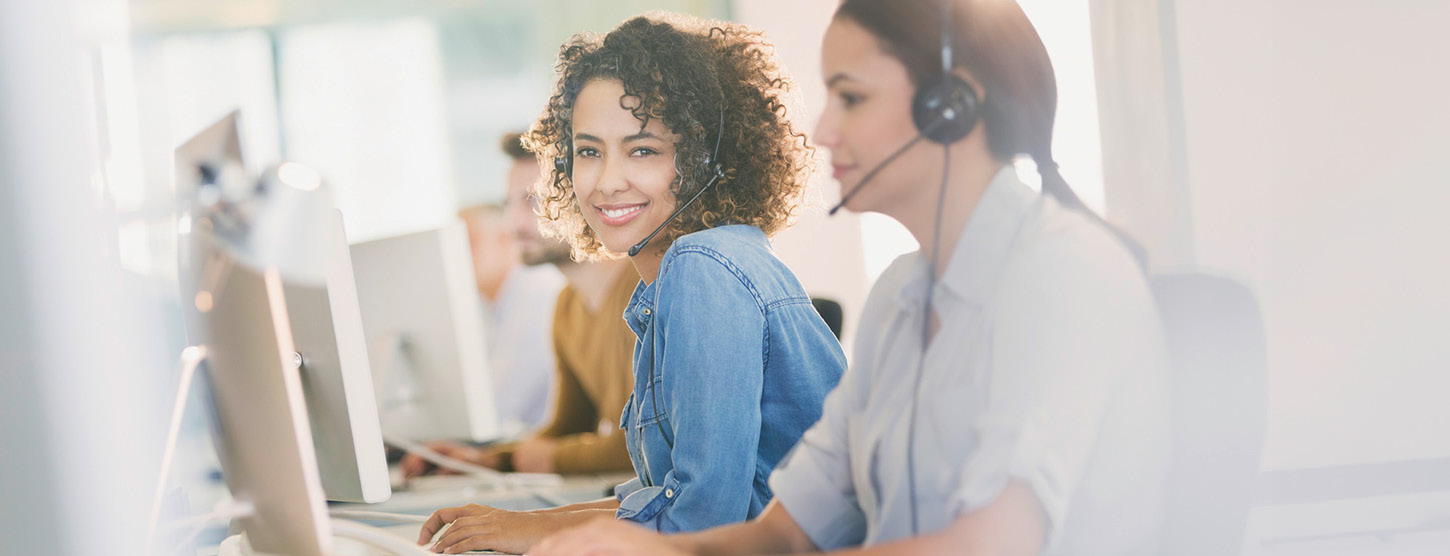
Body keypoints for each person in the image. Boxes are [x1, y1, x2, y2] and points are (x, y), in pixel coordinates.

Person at [528, 0, 1171, 555]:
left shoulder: (1064, 276)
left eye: (852, 97)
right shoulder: (901, 295)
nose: (823, 130)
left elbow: (987, 545)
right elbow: (783, 535)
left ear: (951, 107)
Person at [415, 13, 847, 554]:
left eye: (643, 149)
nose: (605, 181)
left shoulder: (704, 265)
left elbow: (701, 524)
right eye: (588, 151)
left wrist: (530, 529)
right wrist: (518, 521)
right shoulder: (677, 276)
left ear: (705, 161)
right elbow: (671, 499)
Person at [400, 132, 637, 477]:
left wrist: (546, 459)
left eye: (533, 202)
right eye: (510, 204)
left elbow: (649, 446)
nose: (513, 224)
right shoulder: (567, 307)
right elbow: (567, 428)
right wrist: (485, 459)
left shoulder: (645, 292)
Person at [457, 199, 564, 435]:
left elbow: (495, 407)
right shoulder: (489, 306)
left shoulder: (538, 294)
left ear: (506, 241)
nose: (457, 255)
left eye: (469, 242)